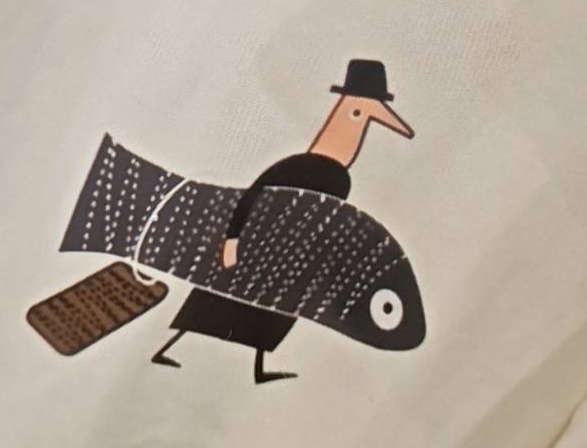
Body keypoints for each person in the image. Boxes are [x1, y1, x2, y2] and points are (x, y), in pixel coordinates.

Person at [152, 60, 414, 382]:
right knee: (218, 298)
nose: (356, 131)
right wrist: (233, 240)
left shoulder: (336, 179)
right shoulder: (306, 169)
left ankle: (255, 367)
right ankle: (170, 346)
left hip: (284, 260)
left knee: (271, 309)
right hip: (258, 249)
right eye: (356, 115)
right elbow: (254, 195)